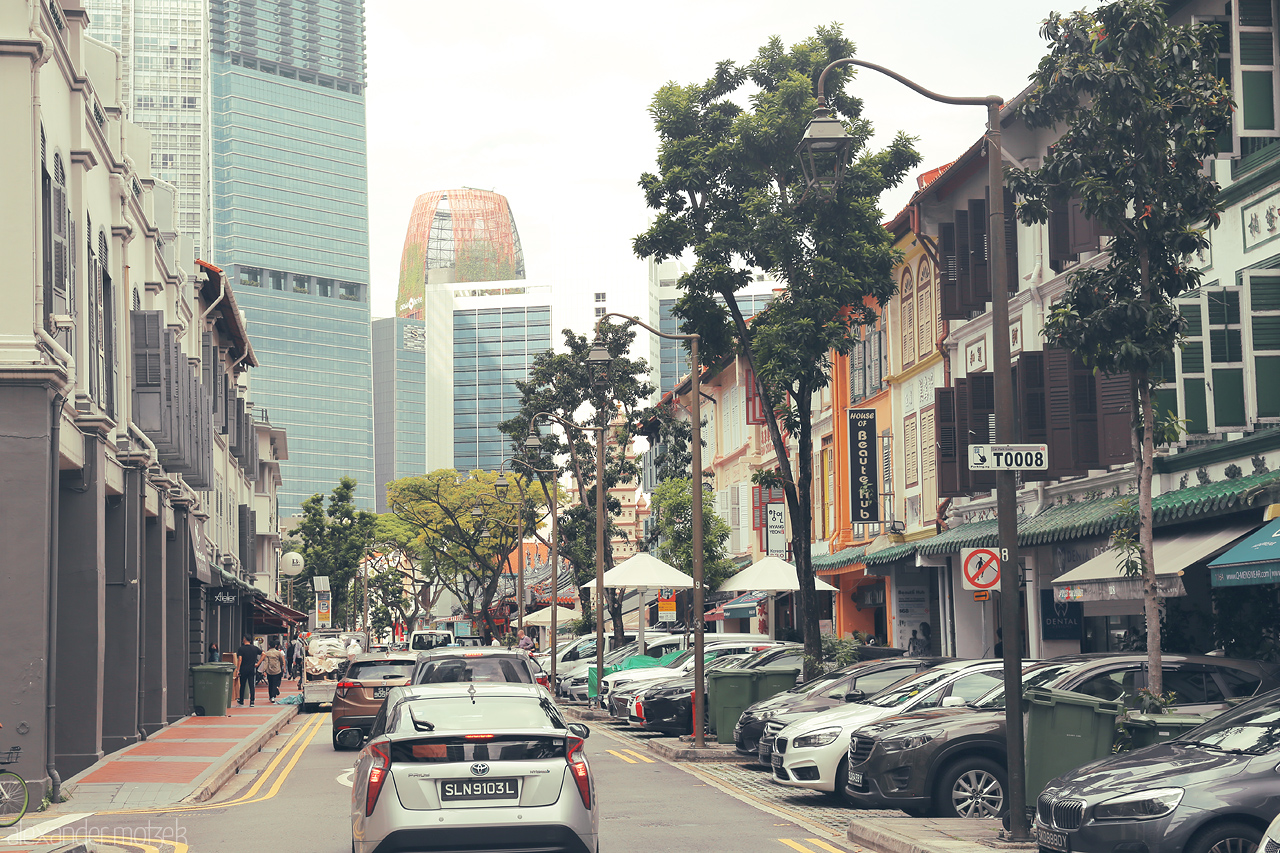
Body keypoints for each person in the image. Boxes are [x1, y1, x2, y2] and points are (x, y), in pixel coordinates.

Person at [235, 634, 262, 706]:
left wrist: (238, 670)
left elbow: (240, 659)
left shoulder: (241, 649)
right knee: (251, 685)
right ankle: (252, 701)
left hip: (243, 669)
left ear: (244, 639)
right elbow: (264, 654)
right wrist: (258, 663)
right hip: (251, 669)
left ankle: (241, 700)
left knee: (242, 685)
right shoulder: (255, 648)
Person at [259, 637, 287, 703]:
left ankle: (271, 696)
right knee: (275, 683)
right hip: (277, 670)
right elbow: (282, 661)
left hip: (269, 671)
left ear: (269, 646)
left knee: (270, 684)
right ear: (275, 646)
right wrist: (282, 666)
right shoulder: (278, 653)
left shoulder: (267, 653)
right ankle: (274, 695)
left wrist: (264, 670)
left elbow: (266, 662)